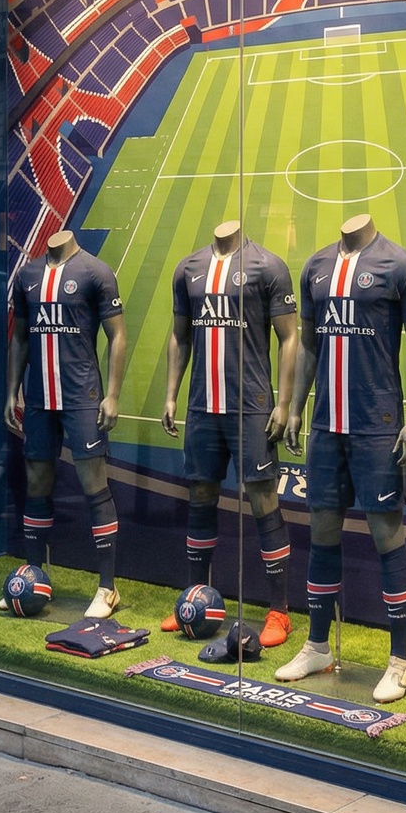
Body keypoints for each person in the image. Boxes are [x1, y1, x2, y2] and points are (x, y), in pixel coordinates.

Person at [279, 214, 406, 705]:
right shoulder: (316, 266)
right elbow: (307, 343)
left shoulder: (400, 264)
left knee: (387, 535)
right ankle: (318, 647)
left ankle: (401, 661)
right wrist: (296, 407)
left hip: (377, 423)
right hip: (327, 426)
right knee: (322, 533)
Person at [161, 221, 299, 647]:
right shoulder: (190, 268)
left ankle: (279, 610)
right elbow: (179, 337)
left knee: (263, 501)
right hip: (203, 406)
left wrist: (283, 402)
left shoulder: (268, 266)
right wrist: (171, 395)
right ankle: (193, 596)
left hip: (251, 407)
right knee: (200, 497)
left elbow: (290, 337)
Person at [5, 232, 128, 618]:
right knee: (37, 483)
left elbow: (118, 335)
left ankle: (107, 588)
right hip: (40, 398)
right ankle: (34, 579)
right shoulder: (27, 275)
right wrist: (11, 392)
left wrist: (113, 394)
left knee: (94, 485)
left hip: (82, 397)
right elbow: (20, 339)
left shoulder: (96, 272)